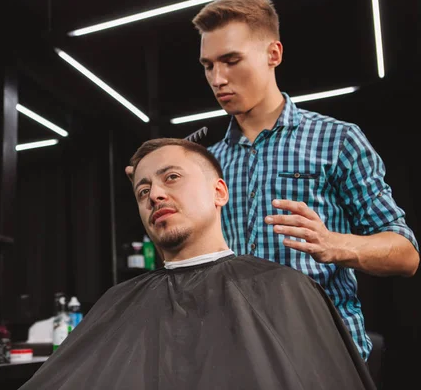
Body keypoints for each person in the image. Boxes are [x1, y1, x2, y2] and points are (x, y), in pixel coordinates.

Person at [127, 0, 419, 361]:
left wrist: (335, 245)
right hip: (234, 356)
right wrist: (154, 189)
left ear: (273, 55)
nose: (217, 79)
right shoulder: (206, 163)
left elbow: (406, 254)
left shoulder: (336, 139)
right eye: (208, 65)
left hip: (320, 353)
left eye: (231, 61)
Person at [19, 138, 375, 390]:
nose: (155, 194)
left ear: (219, 192)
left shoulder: (283, 288)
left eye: (171, 177)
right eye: (143, 191)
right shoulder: (119, 301)